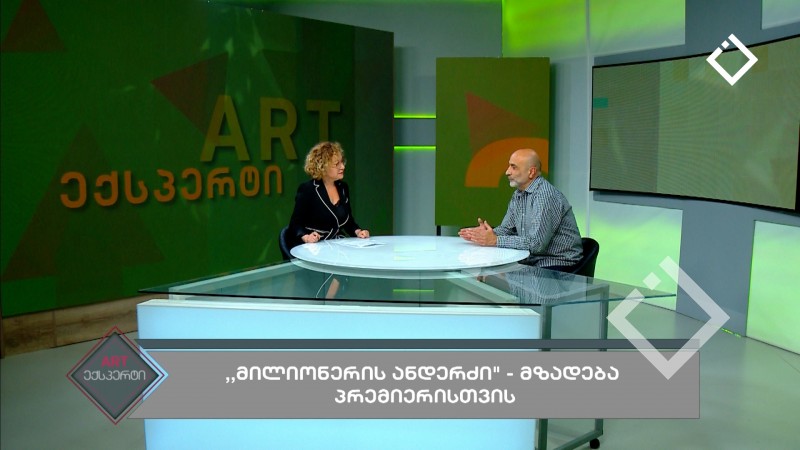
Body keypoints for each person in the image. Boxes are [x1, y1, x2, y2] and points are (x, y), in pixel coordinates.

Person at [459, 148, 583, 271]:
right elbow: (507, 229)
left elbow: (537, 244)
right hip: (532, 261)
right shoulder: (518, 194)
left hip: (559, 263)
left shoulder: (545, 196)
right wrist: (487, 234)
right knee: (486, 272)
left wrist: (495, 240)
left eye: (514, 167)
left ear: (531, 172)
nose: (507, 172)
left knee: (492, 274)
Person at [287, 141, 370, 250]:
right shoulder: (308, 190)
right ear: (323, 166)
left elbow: (348, 221)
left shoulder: (343, 187)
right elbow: (295, 224)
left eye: (342, 162)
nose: (342, 166)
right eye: (336, 164)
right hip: (313, 248)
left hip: (336, 246)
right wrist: (307, 237)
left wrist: (358, 232)